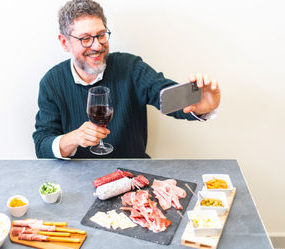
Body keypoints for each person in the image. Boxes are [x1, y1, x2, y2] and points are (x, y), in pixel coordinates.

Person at [33, 0, 220, 159]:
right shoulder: (52, 83)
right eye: (85, 39)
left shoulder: (130, 66)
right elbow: (42, 145)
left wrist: (198, 100)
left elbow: (164, 96)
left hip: (133, 179)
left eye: (100, 35)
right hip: (76, 184)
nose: (97, 45)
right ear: (65, 42)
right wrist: (73, 138)